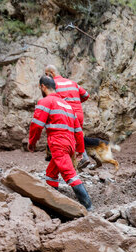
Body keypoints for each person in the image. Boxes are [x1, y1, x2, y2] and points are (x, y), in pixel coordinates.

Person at [28, 75, 93, 212]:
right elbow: (78, 131)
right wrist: (80, 150)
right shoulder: (68, 106)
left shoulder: (45, 102)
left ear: (43, 87)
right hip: (69, 144)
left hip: (58, 143)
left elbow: (37, 125)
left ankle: (88, 206)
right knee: (51, 173)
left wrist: (32, 142)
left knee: (69, 174)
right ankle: (52, 203)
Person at [44, 65, 92, 169]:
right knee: (77, 136)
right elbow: (86, 95)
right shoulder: (73, 83)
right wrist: (76, 102)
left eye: (46, 75)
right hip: (78, 114)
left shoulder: (53, 85)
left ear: (50, 73)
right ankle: (83, 157)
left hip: (66, 115)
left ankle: (70, 166)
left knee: (65, 140)